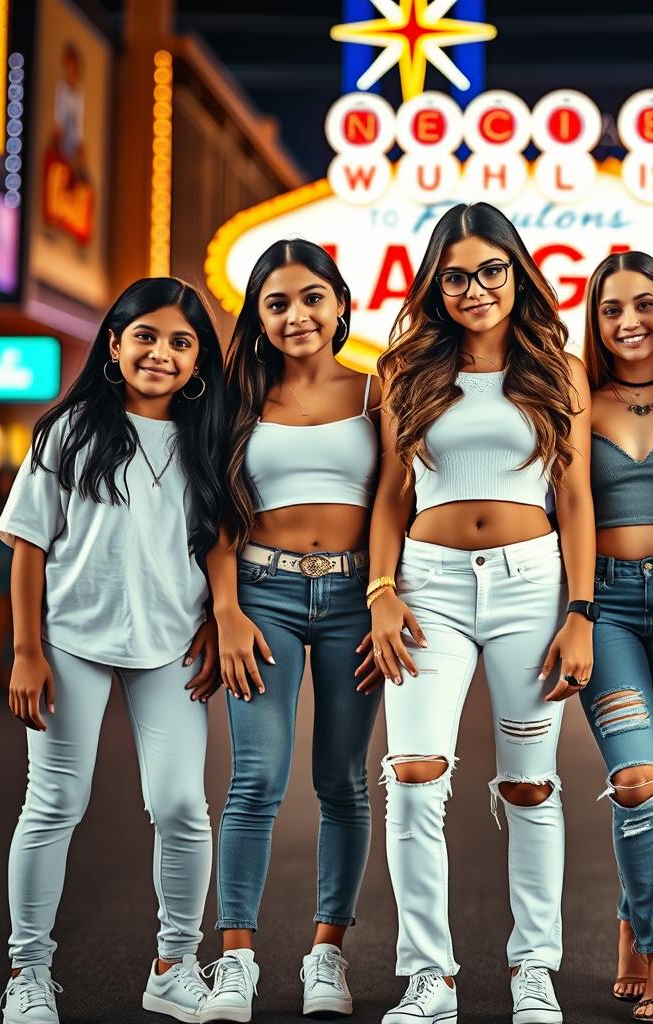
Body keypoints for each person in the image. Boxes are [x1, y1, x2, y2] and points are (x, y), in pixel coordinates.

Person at [369, 202, 595, 1024]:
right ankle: (430, 977)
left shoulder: (560, 371)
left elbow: (575, 499)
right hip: (426, 586)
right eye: (455, 275)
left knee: (531, 784)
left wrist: (581, 610)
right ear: (435, 284)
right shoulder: (403, 372)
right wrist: (381, 590)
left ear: (517, 273)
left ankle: (533, 968)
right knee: (414, 775)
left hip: (533, 584)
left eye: (490, 270)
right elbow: (392, 497)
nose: (474, 289)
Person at [0, 278, 226, 1024]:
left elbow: (221, 541)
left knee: (184, 805)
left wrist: (219, 619)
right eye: (147, 337)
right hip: (70, 640)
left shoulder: (211, 437)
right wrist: (26, 650)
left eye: (181, 342)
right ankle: (28, 971)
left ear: (199, 360)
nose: (162, 352)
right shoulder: (69, 431)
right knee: (55, 802)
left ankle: (175, 963)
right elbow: (29, 546)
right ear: (115, 346)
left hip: (170, 643)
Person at [200, 240, 381, 1023]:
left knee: (341, 782)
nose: (297, 315)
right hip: (261, 596)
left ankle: (326, 955)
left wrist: (382, 592)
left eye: (312, 297)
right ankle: (235, 960)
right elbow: (215, 511)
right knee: (254, 781)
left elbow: (397, 503)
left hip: (352, 597)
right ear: (259, 317)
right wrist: (226, 610)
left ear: (341, 302)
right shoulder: (238, 395)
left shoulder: (382, 389)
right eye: (277, 303)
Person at [580, 252, 653, 1019]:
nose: (629, 322)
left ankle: (632, 920)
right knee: (637, 779)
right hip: (610, 609)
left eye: (645, 304)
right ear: (593, 321)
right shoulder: (575, 400)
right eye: (612, 308)